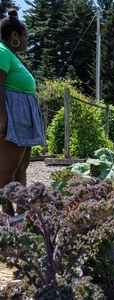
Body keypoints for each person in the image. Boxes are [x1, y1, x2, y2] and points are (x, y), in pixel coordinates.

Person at [0, 8, 45, 215]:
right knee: (8, 166)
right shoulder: (2, 51)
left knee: (22, 164)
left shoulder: (11, 54)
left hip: (23, 115)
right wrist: (2, 118)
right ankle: (7, 214)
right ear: (15, 36)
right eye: (26, 37)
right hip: (12, 114)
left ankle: (22, 208)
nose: (28, 41)